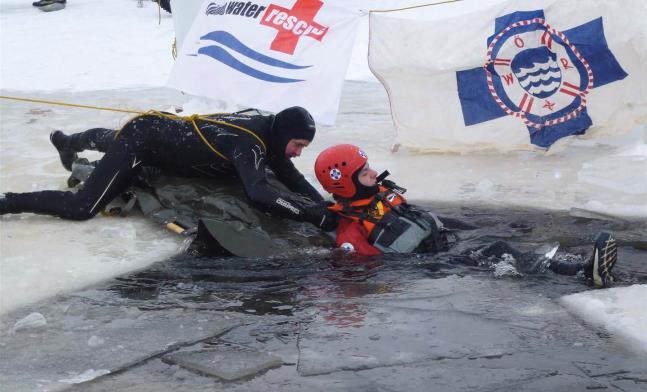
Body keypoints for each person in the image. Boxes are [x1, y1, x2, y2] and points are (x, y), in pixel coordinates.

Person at [314, 144, 618, 288]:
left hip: (444, 244)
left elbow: (421, 218)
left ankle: (574, 265)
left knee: (501, 240)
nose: (372, 171)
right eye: (363, 171)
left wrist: (476, 226)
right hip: (433, 263)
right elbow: (371, 267)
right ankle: (580, 274)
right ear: (344, 180)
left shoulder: (378, 195)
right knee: (498, 251)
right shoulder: (350, 233)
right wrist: (434, 263)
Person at [1, 107, 337, 231]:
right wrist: (310, 215)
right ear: (283, 136)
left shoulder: (269, 129)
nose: (297, 154)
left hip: (159, 129)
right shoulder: (249, 142)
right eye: (298, 146)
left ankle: (70, 142)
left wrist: (321, 204)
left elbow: (288, 174)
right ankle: (8, 200)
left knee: (113, 138)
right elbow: (260, 192)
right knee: (81, 208)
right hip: (143, 142)